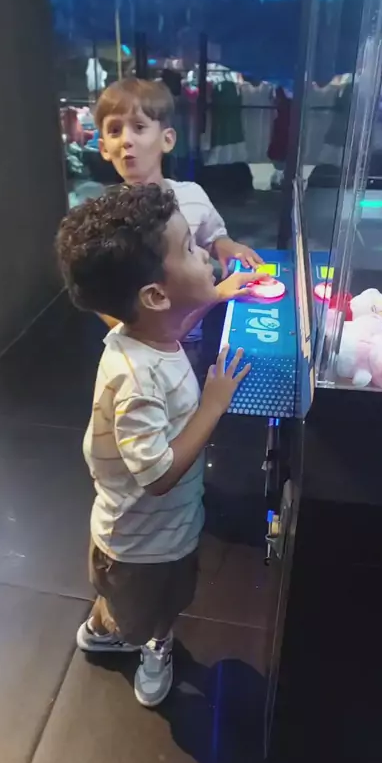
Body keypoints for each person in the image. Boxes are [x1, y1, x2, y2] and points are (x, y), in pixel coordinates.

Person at [57, 183, 256, 708]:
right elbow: (158, 476)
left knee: (123, 599)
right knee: (153, 610)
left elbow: (173, 325)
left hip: (140, 536)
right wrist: (213, 405)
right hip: (147, 546)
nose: (204, 254)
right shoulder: (137, 379)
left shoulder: (146, 335)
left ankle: (106, 625)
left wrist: (215, 295)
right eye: (190, 248)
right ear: (155, 295)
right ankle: (149, 643)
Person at [92, 77, 264, 341]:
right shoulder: (103, 222)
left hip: (194, 339)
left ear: (167, 139)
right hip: (143, 350)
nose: (126, 140)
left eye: (139, 127)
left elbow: (213, 236)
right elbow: (109, 310)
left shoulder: (192, 194)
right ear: (104, 147)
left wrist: (225, 245)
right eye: (115, 130)